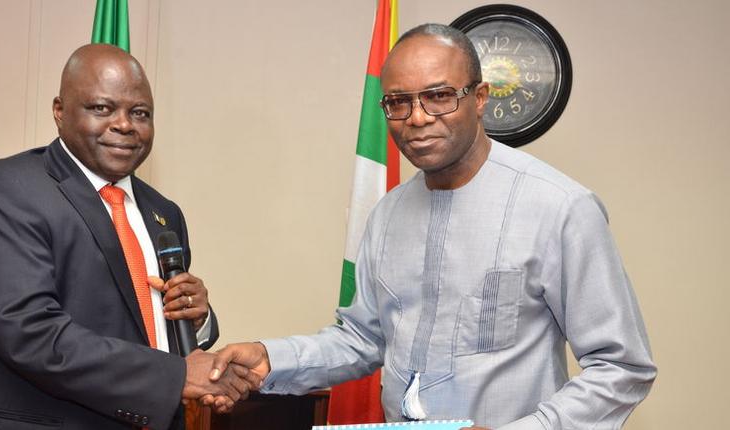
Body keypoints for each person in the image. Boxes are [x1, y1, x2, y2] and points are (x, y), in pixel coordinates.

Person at [211, 24, 657, 429]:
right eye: (398, 102)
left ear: (479, 98)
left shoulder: (560, 208)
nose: (418, 118)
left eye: (439, 95)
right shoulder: (387, 214)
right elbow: (364, 339)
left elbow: (621, 367)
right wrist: (272, 358)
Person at [0, 44, 257, 430]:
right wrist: (176, 375)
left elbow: (152, 334)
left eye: (140, 113)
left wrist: (198, 321)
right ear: (60, 111)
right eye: (102, 108)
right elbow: (28, 332)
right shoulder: (7, 187)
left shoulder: (164, 213)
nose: (125, 124)